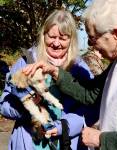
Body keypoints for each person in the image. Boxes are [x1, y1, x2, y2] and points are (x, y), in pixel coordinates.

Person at [22, 0, 117, 149]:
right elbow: (91, 94)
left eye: (93, 38)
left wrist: (101, 139)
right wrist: (55, 71)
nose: (89, 45)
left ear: (116, 34)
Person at [0, 9, 94, 150]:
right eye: (52, 36)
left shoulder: (79, 68)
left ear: (71, 39)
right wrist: (25, 106)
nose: (56, 43)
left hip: (67, 142)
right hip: (28, 141)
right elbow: (4, 104)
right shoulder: (26, 62)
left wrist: (62, 126)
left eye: (63, 38)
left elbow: (90, 110)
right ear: (43, 35)